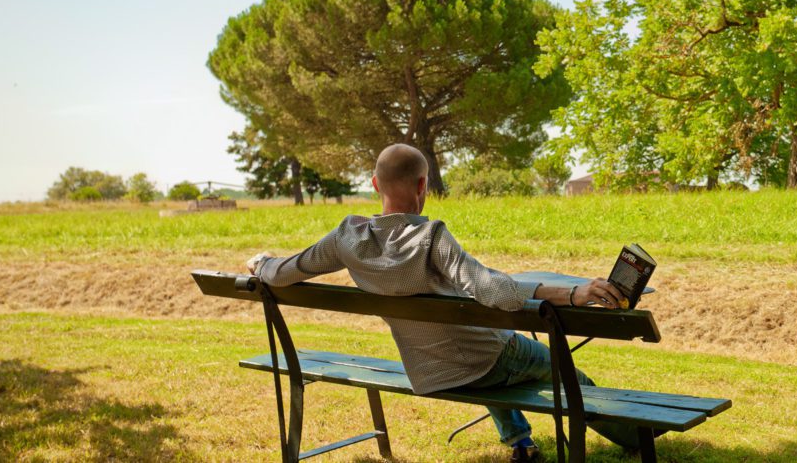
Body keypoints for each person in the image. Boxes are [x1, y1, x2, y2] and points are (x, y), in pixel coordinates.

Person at [246, 144, 637, 462]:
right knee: (562, 370)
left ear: (374, 184)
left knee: (489, 339)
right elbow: (497, 294)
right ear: (422, 185)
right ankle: (636, 440)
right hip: (481, 361)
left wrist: (261, 263)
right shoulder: (430, 237)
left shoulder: (347, 238)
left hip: (428, 370)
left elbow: (283, 272)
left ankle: (520, 443)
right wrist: (572, 292)